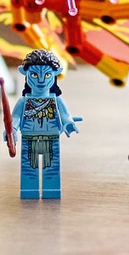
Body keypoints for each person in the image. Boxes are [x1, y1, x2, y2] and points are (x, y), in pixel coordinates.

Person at [16, 49, 80, 201]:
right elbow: (15, 117)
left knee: (51, 169)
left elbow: (65, 115)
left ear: (55, 74)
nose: (41, 80)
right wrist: (11, 129)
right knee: (29, 169)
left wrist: (68, 123)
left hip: (51, 138)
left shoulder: (57, 100)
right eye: (34, 75)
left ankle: (51, 190)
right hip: (28, 139)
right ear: (25, 74)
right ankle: (29, 190)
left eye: (46, 75)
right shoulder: (24, 101)